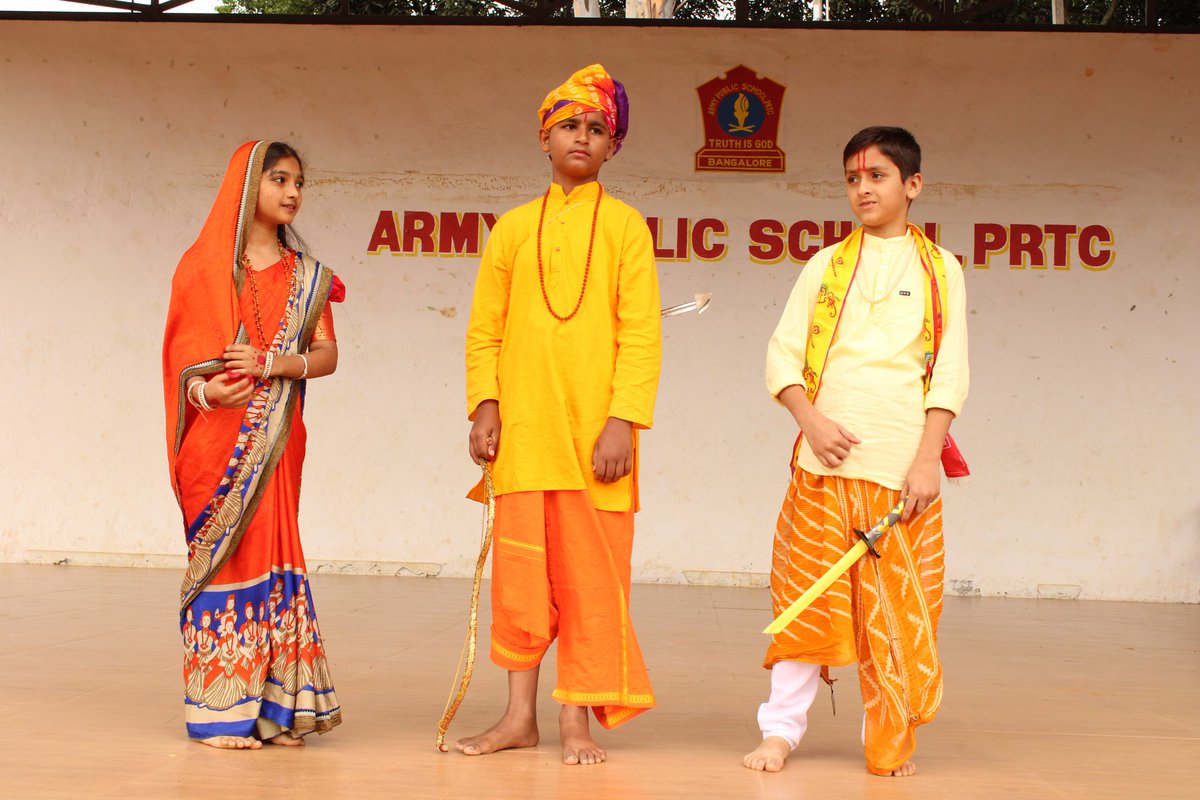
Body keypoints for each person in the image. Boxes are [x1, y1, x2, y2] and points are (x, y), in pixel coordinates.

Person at [743, 126, 969, 777]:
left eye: (877, 176)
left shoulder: (941, 270)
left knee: (896, 613)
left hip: (901, 474)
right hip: (823, 468)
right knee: (803, 599)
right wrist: (808, 420)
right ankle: (780, 732)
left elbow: (949, 375)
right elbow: (781, 354)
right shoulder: (824, 265)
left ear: (912, 185)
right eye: (852, 178)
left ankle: (888, 736)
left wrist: (927, 461)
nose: (863, 189)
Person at [458, 64, 662, 766]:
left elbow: (641, 334)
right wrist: (484, 405)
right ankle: (520, 717)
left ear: (614, 146)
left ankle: (575, 721)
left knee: (590, 586)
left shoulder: (627, 228)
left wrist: (622, 421)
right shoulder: (511, 230)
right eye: (570, 125)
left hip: (595, 445)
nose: (583, 136)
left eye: (597, 127)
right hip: (524, 438)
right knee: (520, 584)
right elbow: (484, 329)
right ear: (544, 137)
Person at [162, 140, 345, 749]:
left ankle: (273, 712)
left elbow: (326, 356)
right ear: (247, 186)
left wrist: (272, 364)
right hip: (217, 448)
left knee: (275, 557)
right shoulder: (202, 269)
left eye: (299, 182)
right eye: (279, 180)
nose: (292, 192)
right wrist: (215, 394)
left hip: (279, 441)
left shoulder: (307, 275)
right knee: (229, 564)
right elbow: (183, 371)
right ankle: (217, 715)